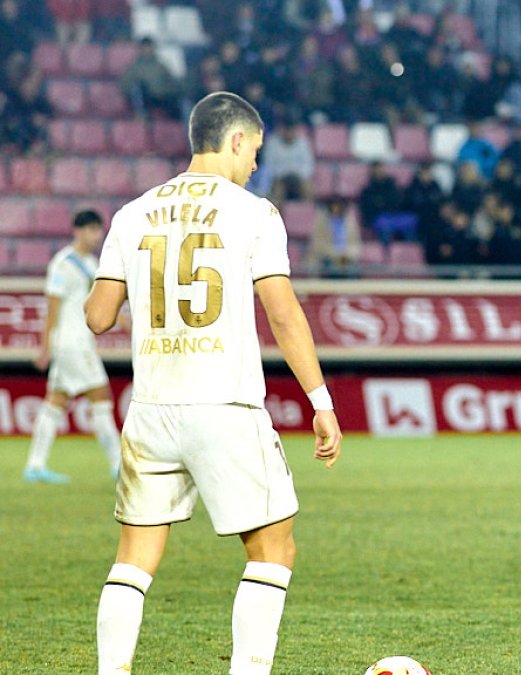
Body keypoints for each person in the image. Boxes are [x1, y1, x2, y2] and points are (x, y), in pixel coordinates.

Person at [85, 91, 343, 675]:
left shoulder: (131, 213)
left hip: (151, 406)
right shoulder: (254, 213)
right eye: (254, 150)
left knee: (133, 558)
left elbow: (98, 316)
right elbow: (283, 313)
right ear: (233, 141)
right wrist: (320, 402)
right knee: (273, 548)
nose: (255, 164)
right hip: (225, 403)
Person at [22, 209, 122, 484]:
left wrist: (125, 320)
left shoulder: (91, 263)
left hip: (77, 342)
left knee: (56, 401)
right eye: (91, 229)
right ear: (78, 230)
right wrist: (45, 346)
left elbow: (99, 301)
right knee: (101, 398)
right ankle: (118, 464)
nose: (96, 236)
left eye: (98, 230)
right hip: (72, 343)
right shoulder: (63, 264)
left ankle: (34, 466)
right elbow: (52, 307)